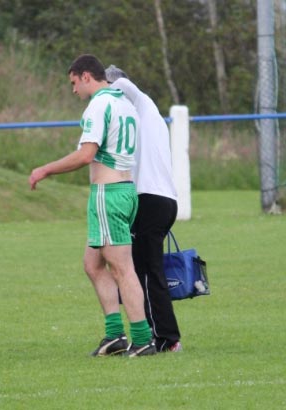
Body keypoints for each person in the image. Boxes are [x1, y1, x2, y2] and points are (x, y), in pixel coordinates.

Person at [29, 54, 156, 357]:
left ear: (86, 76)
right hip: (123, 190)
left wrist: (45, 169)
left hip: (108, 194)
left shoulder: (98, 104)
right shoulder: (124, 103)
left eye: (74, 83)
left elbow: (86, 155)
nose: (73, 90)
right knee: (93, 264)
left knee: (122, 268)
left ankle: (142, 339)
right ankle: (115, 336)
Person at [105, 65, 182, 352]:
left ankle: (165, 338)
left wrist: (104, 87)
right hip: (155, 199)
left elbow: (124, 85)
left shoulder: (140, 101)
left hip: (152, 199)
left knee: (147, 273)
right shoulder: (136, 117)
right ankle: (154, 335)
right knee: (142, 270)